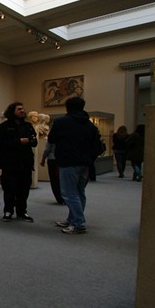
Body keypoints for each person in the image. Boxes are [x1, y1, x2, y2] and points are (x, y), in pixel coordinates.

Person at [47, 97, 101, 235]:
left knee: (69, 193)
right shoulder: (90, 125)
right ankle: (72, 219)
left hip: (68, 162)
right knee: (79, 192)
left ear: (67, 107)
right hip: (85, 163)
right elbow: (96, 146)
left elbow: (52, 139)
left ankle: (78, 223)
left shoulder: (61, 122)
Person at [0, 102, 37, 222]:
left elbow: (34, 142)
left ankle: (22, 212)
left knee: (24, 190)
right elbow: (0, 143)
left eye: (23, 109)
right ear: (12, 111)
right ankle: (8, 211)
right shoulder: (3, 127)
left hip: (26, 164)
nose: (22, 111)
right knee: (9, 189)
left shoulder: (28, 126)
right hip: (10, 164)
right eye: (19, 109)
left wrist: (31, 141)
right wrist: (19, 141)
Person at [40, 140, 64, 204]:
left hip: (52, 159)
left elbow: (47, 150)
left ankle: (59, 198)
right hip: (62, 159)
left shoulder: (52, 137)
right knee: (61, 179)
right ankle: (64, 197)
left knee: (54, 180)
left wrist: (43, 159)